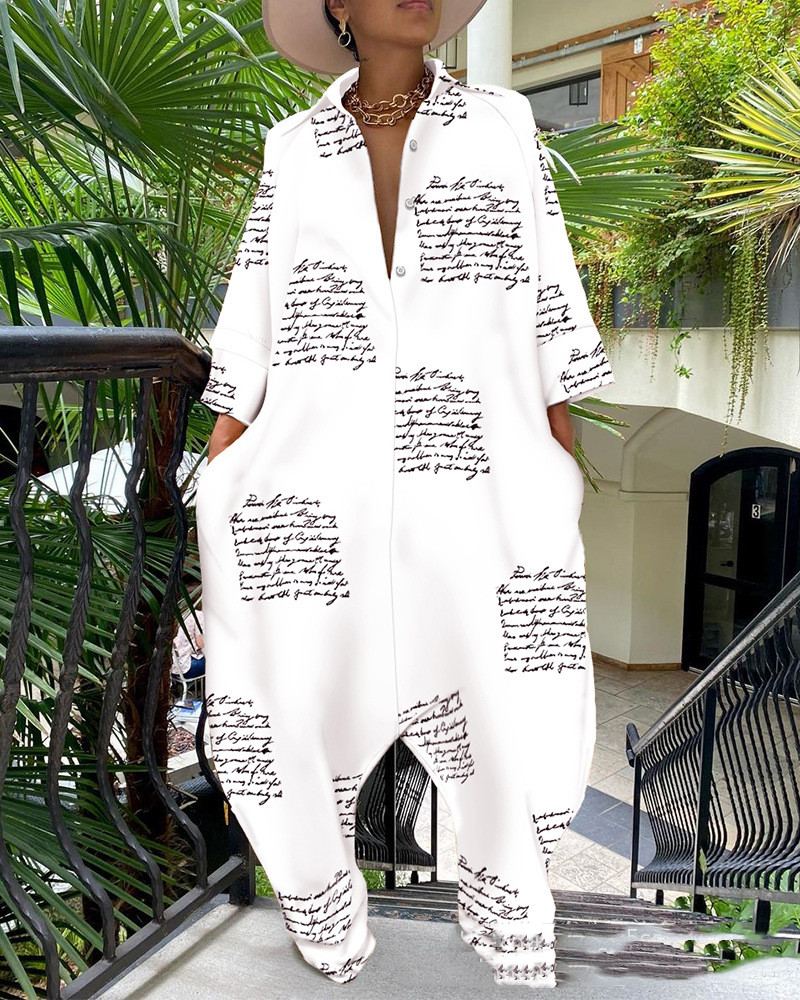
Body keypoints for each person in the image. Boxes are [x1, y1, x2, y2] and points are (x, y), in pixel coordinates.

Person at [195, 0, 616, 988]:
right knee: (284, 698)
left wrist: (556, 454)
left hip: (476, 472)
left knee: (511, 697)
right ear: (337, 6)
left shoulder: (504, 125)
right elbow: (255, 308)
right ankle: (323, 911)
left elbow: (545, 284)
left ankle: (510, 913)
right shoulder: (293, 148)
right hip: (318, 480)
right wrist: (222, 459)